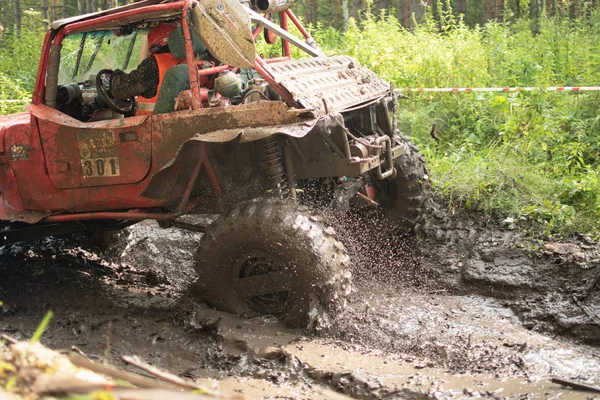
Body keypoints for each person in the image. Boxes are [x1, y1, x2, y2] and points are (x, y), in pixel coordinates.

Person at [109, 23, 180, 115]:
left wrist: (114, 76)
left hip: (152, 124)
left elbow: (121, 89)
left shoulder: (153, 64)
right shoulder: (191, 62)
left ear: (154, 44)